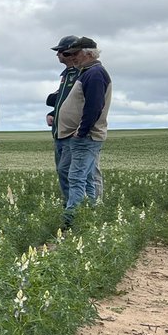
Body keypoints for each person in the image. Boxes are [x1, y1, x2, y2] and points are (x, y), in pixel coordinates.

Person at [55, 37, 112, 229]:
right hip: (77, 135)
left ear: (87, 53)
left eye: (76, 53)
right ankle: (89, 214)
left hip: (86, 136)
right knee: (79, 175)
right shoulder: (87, 73)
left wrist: (82, 130)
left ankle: (71, 219)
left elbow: (94, 105)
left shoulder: (95, 74)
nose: (73, 57)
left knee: (77, 177)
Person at [46, 36, 100, 202]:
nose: (59, 55)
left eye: (62, 52)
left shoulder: (87, 73)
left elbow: (92, 105)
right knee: (66, 172)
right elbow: (62, 100)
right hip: (62, 131)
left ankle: (87, 207)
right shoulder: (67, 75)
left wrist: (82, 130)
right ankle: (74, 205)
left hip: (77, 133)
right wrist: (55, 113)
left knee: (84, 174)